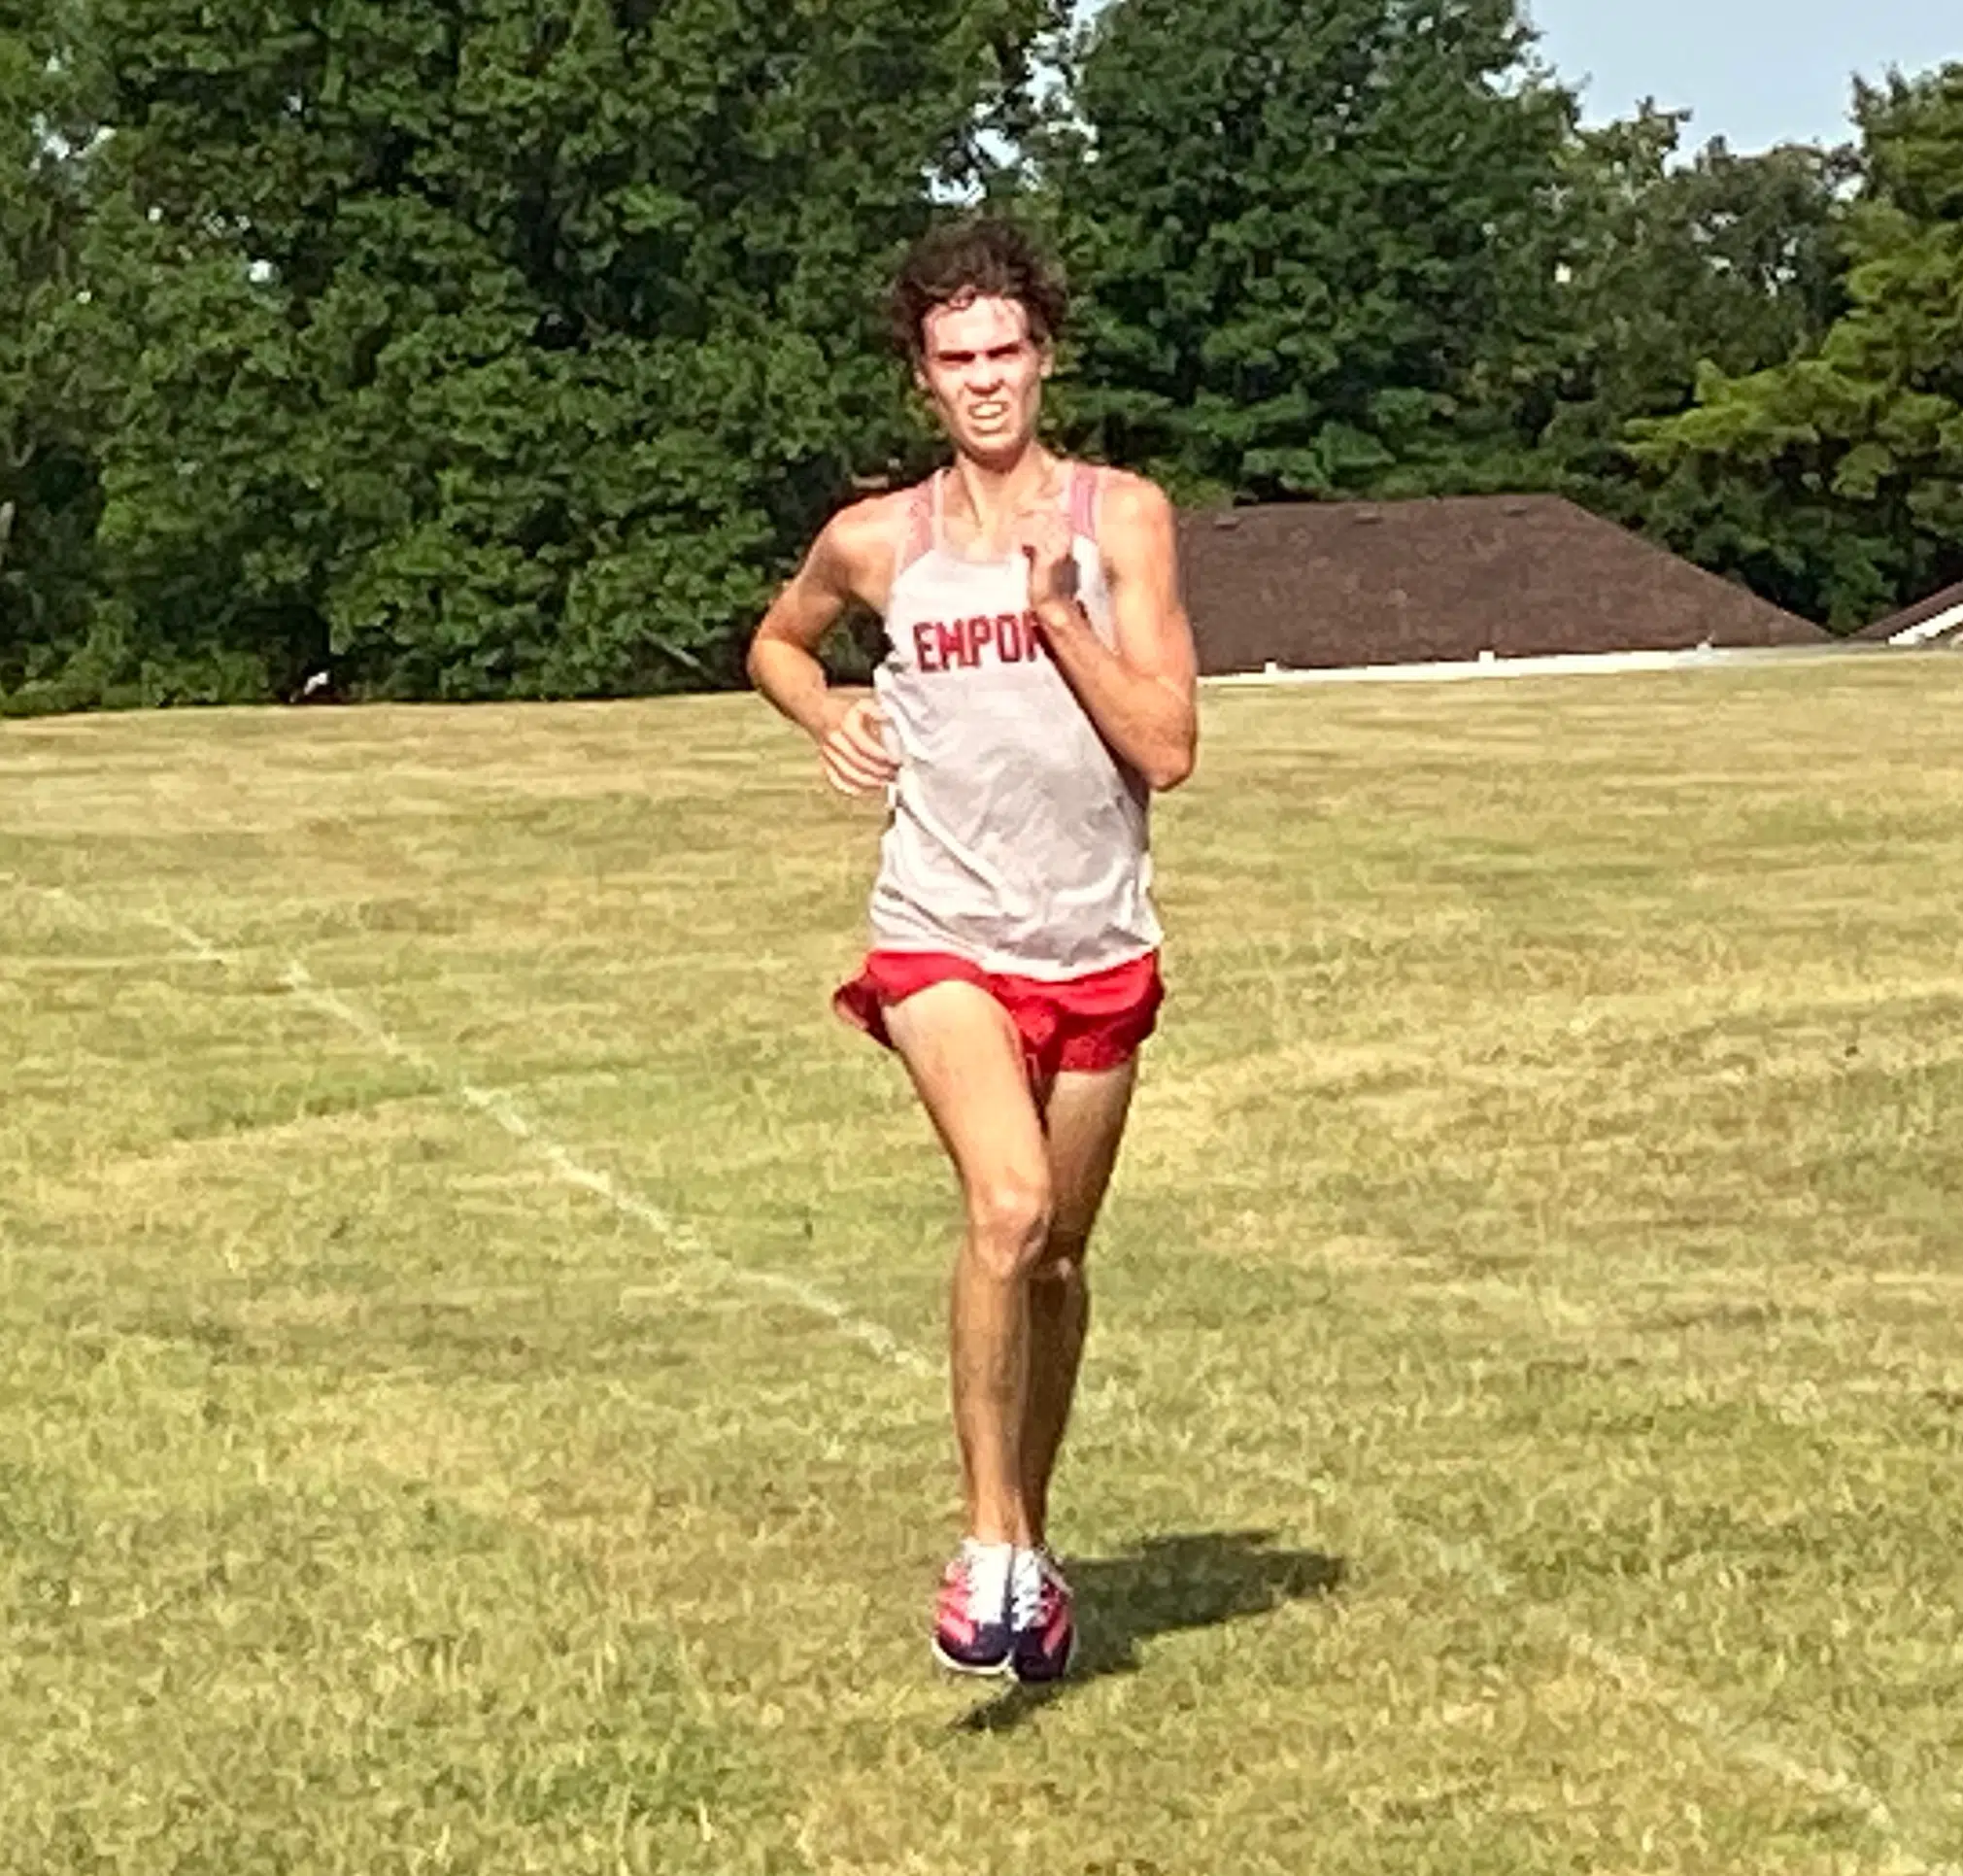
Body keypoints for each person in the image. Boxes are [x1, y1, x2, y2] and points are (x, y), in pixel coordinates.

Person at [746, 218, 1198, 1685]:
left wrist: (1060, 617)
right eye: (957, 361)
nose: (986, 381)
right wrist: (825, 714)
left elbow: (1170, 748)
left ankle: (1035, 1548)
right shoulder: (880, 538)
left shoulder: (1122, 518)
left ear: (1044, 359)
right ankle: (989, 1541)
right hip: (940, 930)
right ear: (922, 382)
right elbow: (780, 638)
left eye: (1007, 353)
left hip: (1095, 940)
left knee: (1058, 1257)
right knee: (1004, 1209)